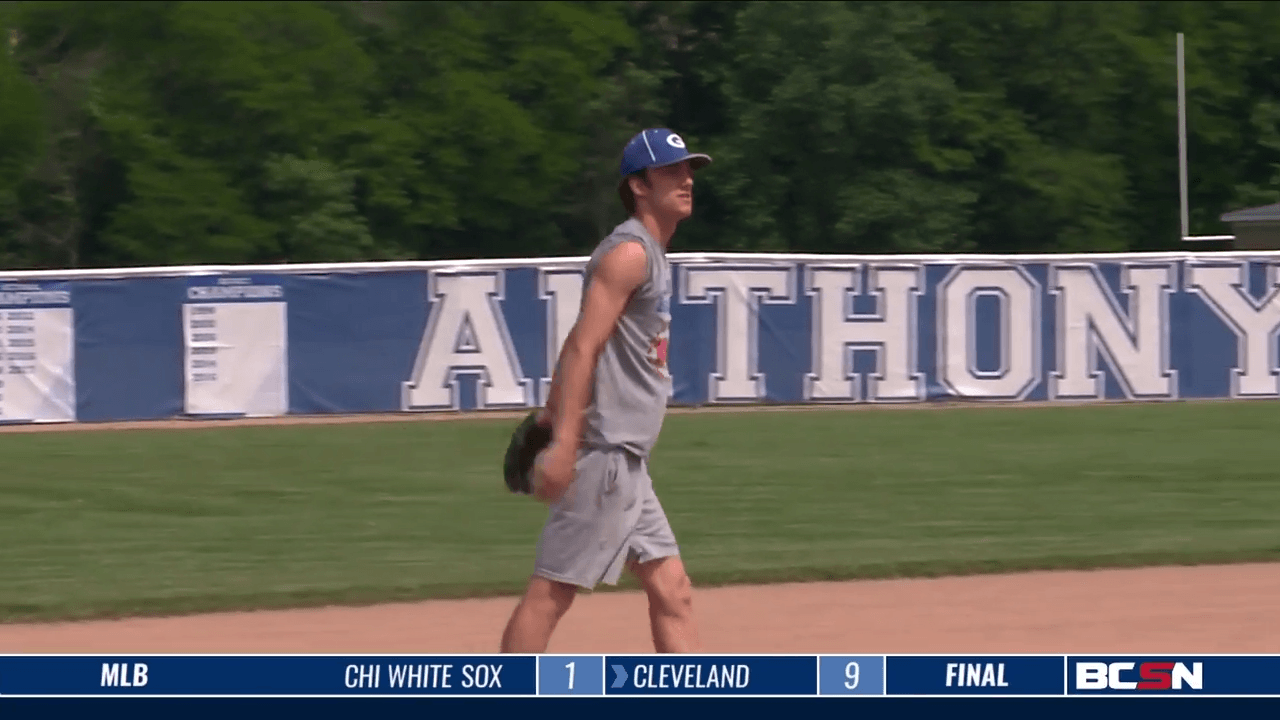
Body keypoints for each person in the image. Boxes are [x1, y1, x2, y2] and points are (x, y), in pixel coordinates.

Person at [499, 128, 712, 654]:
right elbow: (584, 348)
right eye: (671, 172)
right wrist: (566, 444)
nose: (686, 180)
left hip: (627, 461)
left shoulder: (651, 256)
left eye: (688, 170)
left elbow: (579, 339)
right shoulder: (629, 255)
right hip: (605, 457)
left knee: (673, 591)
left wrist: (552, 413)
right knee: (551, 594)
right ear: (639, 185)